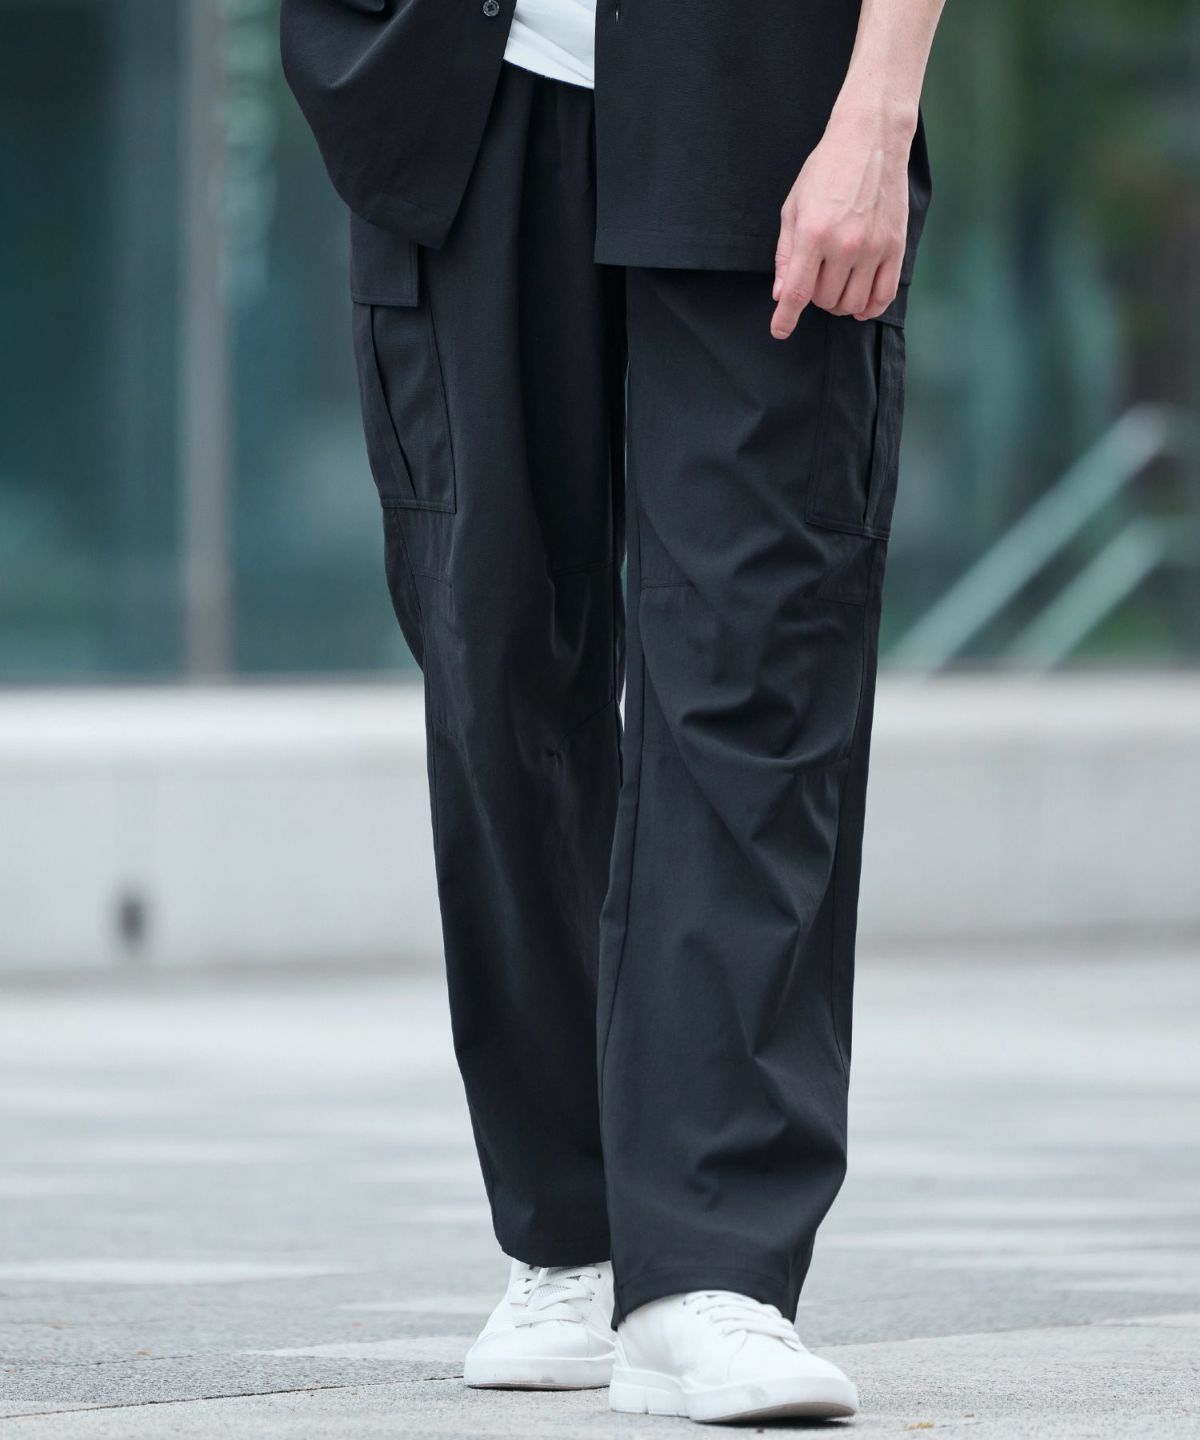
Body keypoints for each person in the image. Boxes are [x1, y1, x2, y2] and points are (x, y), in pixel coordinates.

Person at [282, 0, 943, 1423]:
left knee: (756, 668)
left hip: (764, 99)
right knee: (494, 662)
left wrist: (879, 110)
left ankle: (711, 1269)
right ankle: (570, 1234)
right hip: (468, 92)